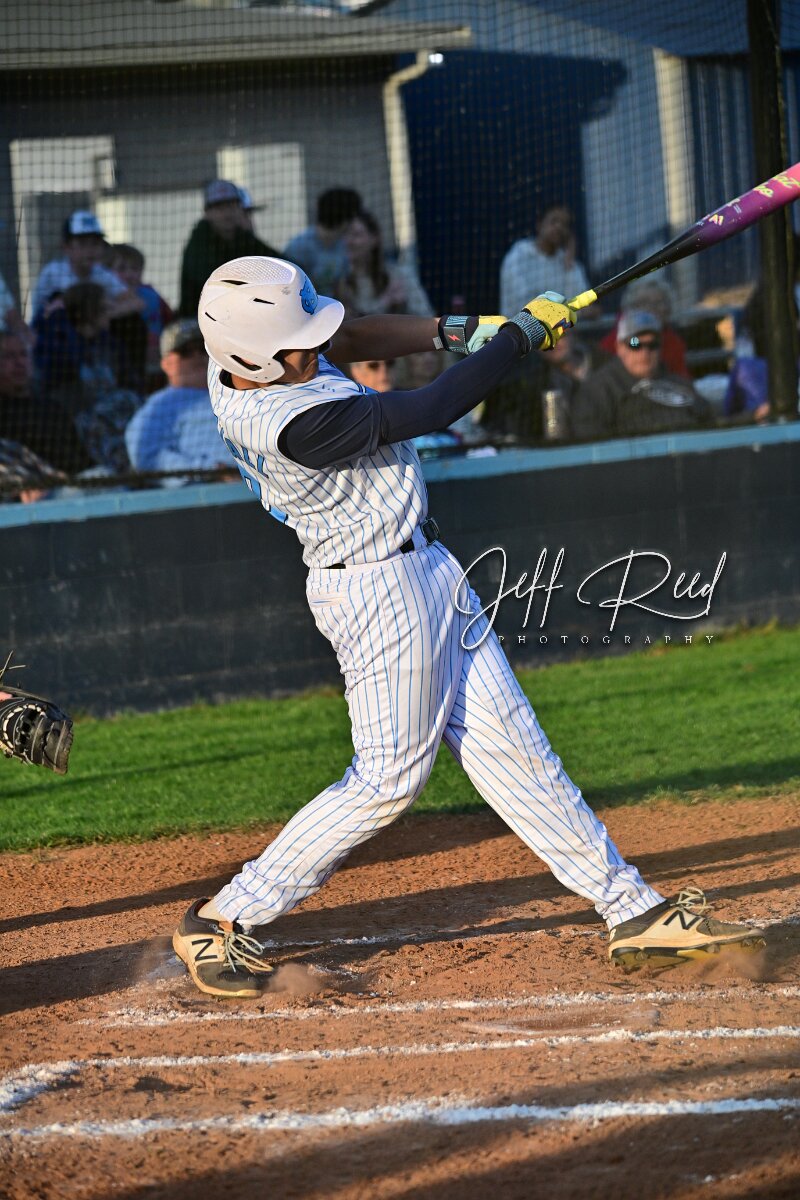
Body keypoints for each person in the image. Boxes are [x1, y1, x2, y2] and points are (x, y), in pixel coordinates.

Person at [169, 254, 765, 998]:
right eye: (299, 345)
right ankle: (224, 917)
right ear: (254, 357)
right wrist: (514, 342)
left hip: (426, 567)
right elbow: (429, 409)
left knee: (517, 747)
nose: (316, 349)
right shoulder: (292, 424)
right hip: (376, 593)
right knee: (387, 779)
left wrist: (459, 330)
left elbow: (351, 334)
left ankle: (632, 911)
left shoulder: (252, 361)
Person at [33, 282, 142, 472]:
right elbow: (59, 380)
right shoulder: (59, 345)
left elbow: (130, 383)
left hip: (116, 412)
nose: (110, 311)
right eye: (104, 307)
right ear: (90, 310)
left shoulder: (111, 344)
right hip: (81, 419)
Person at [571, 310, 713, 441]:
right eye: (635, 344)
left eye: (653, 344)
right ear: (619, 347)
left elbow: (709, 423)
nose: (645, 352)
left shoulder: (678, 383)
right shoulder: (598, 391)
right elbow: (592, 443)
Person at [125, 319, 233, 481]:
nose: (197, 356)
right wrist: (213, 471)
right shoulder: (159, 405)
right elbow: (147, 457)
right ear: (166, 364)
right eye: (185, 351)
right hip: (206, 489)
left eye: (203, 348)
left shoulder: (237, 391)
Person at [178, 180, 281, 318]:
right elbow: (218, 284)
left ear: (240, 208)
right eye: (219, 207)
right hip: (199, 320)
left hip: (235, 316)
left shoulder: (242, 237)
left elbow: (277, 263)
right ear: (207, 212)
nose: (227, 213)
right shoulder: (199, 242)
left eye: (231, 205)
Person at [0, 330, 91, 475]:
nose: (19, 363)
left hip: (80, 481)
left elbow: (82, 456)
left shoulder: (51, 407)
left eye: (23, 354)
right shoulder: (4, 417)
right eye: (8, 356)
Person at [29, 211, 144, 323]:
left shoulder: (101, 273)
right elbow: (42, 314)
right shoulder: (52, 273)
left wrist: (103, 314)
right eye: (83, 244)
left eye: (95, 243)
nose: (90, 250)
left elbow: (137, 303)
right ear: (66, 247)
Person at [499, 204, 589, 317]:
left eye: (564, 224)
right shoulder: (519, 255)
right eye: (554, 221)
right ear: (539, 224)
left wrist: (569, 262)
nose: (559, 227)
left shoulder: (568, 261)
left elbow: (582, 306)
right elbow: (522, 307)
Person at [108, 243, 174, 388]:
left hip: (152, 361)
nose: (129, 274)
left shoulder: (151, 296)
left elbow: (163, 326)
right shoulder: (106, 297)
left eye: (135, 269)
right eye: (122, 269)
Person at [599, 279, 690, 378]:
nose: (652, 308)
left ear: (668, 308)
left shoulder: (674, 342)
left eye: (659, 302)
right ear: (630, 308)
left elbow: (681, 377)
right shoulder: (611, 343)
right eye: (644, 302)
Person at [283, 187, 362, 296]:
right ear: (345, 220)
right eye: (353, 217)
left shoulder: (342, 246)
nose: (355, 223)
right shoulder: (299, 248)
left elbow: (340, 288)